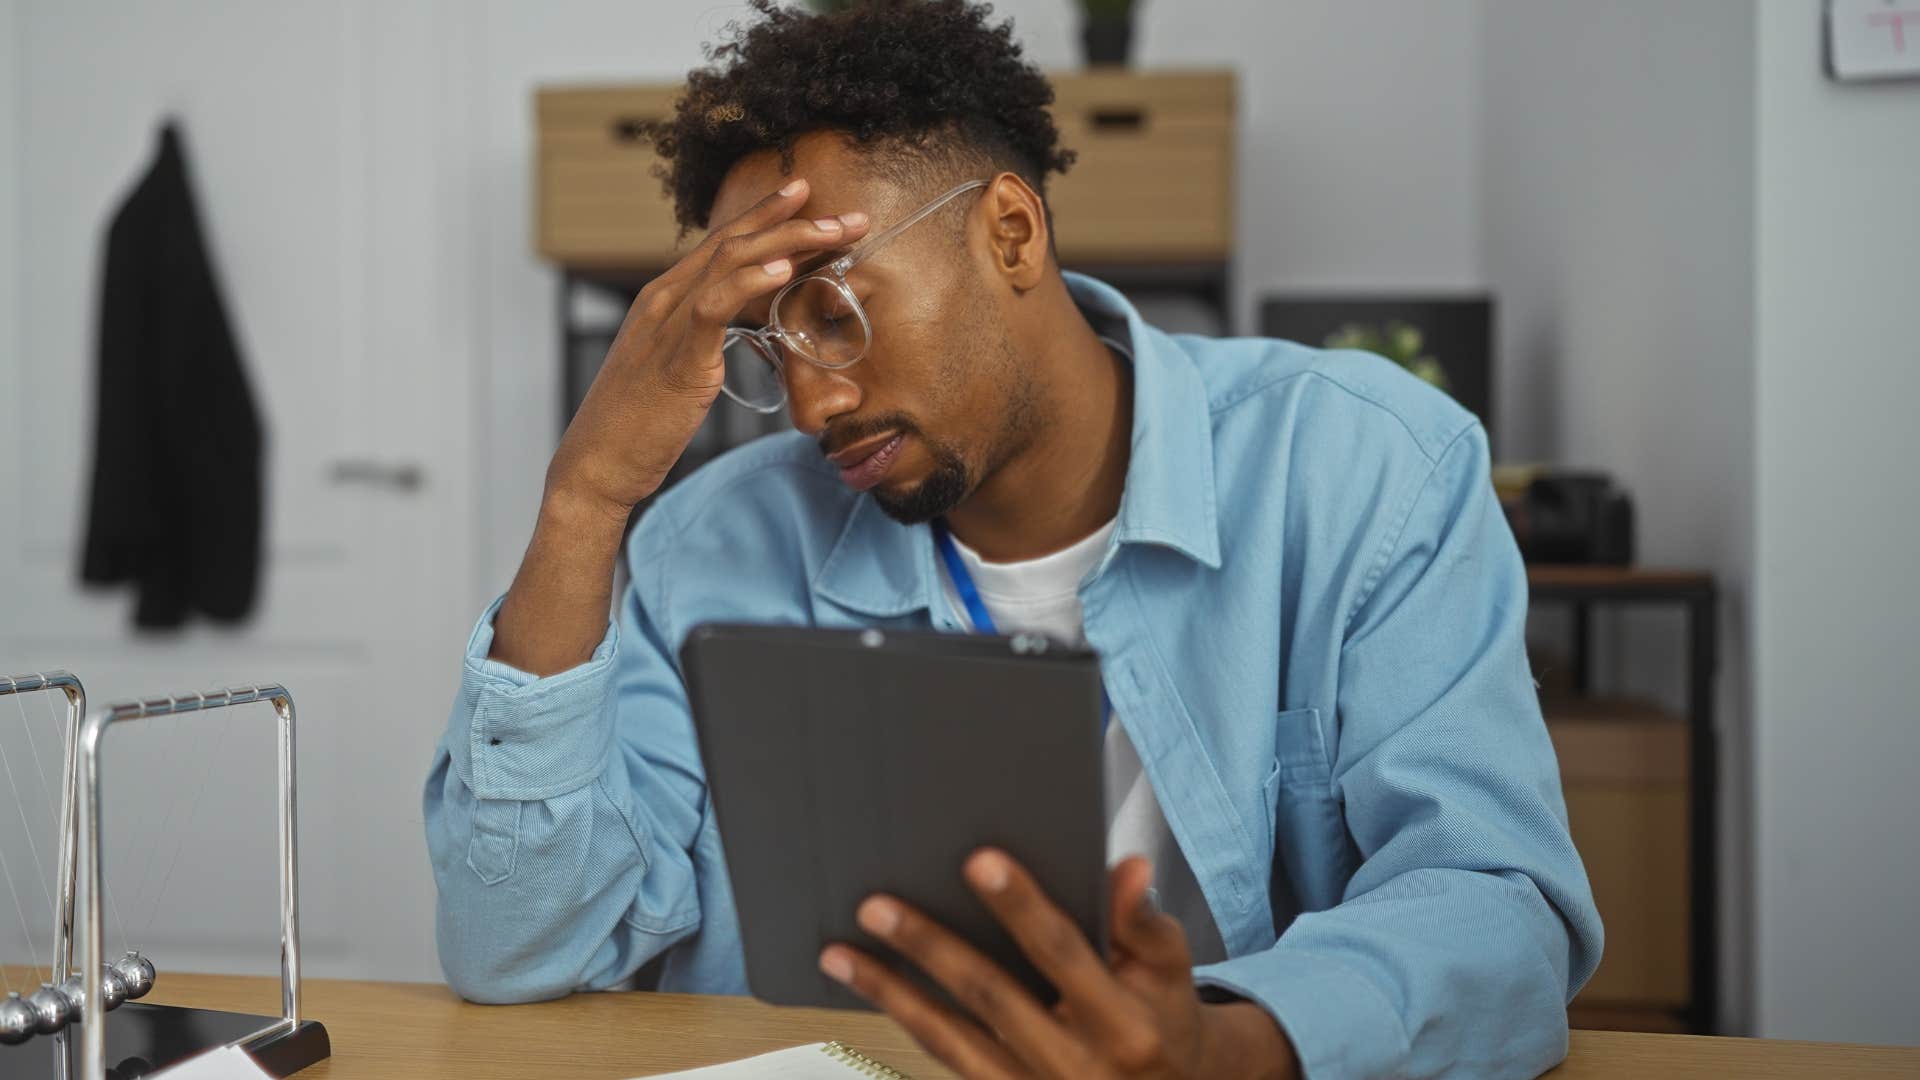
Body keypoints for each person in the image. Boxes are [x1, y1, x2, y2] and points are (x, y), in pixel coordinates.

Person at [423, 2, 1602, 1076]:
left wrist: (1230, 1049)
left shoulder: (1365, 471)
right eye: (770, 348)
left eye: (836, 309)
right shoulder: (711, 547)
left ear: (1010, 232)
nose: (818, 405)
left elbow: (1495, 909)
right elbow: (517, 945)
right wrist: (584, 499)